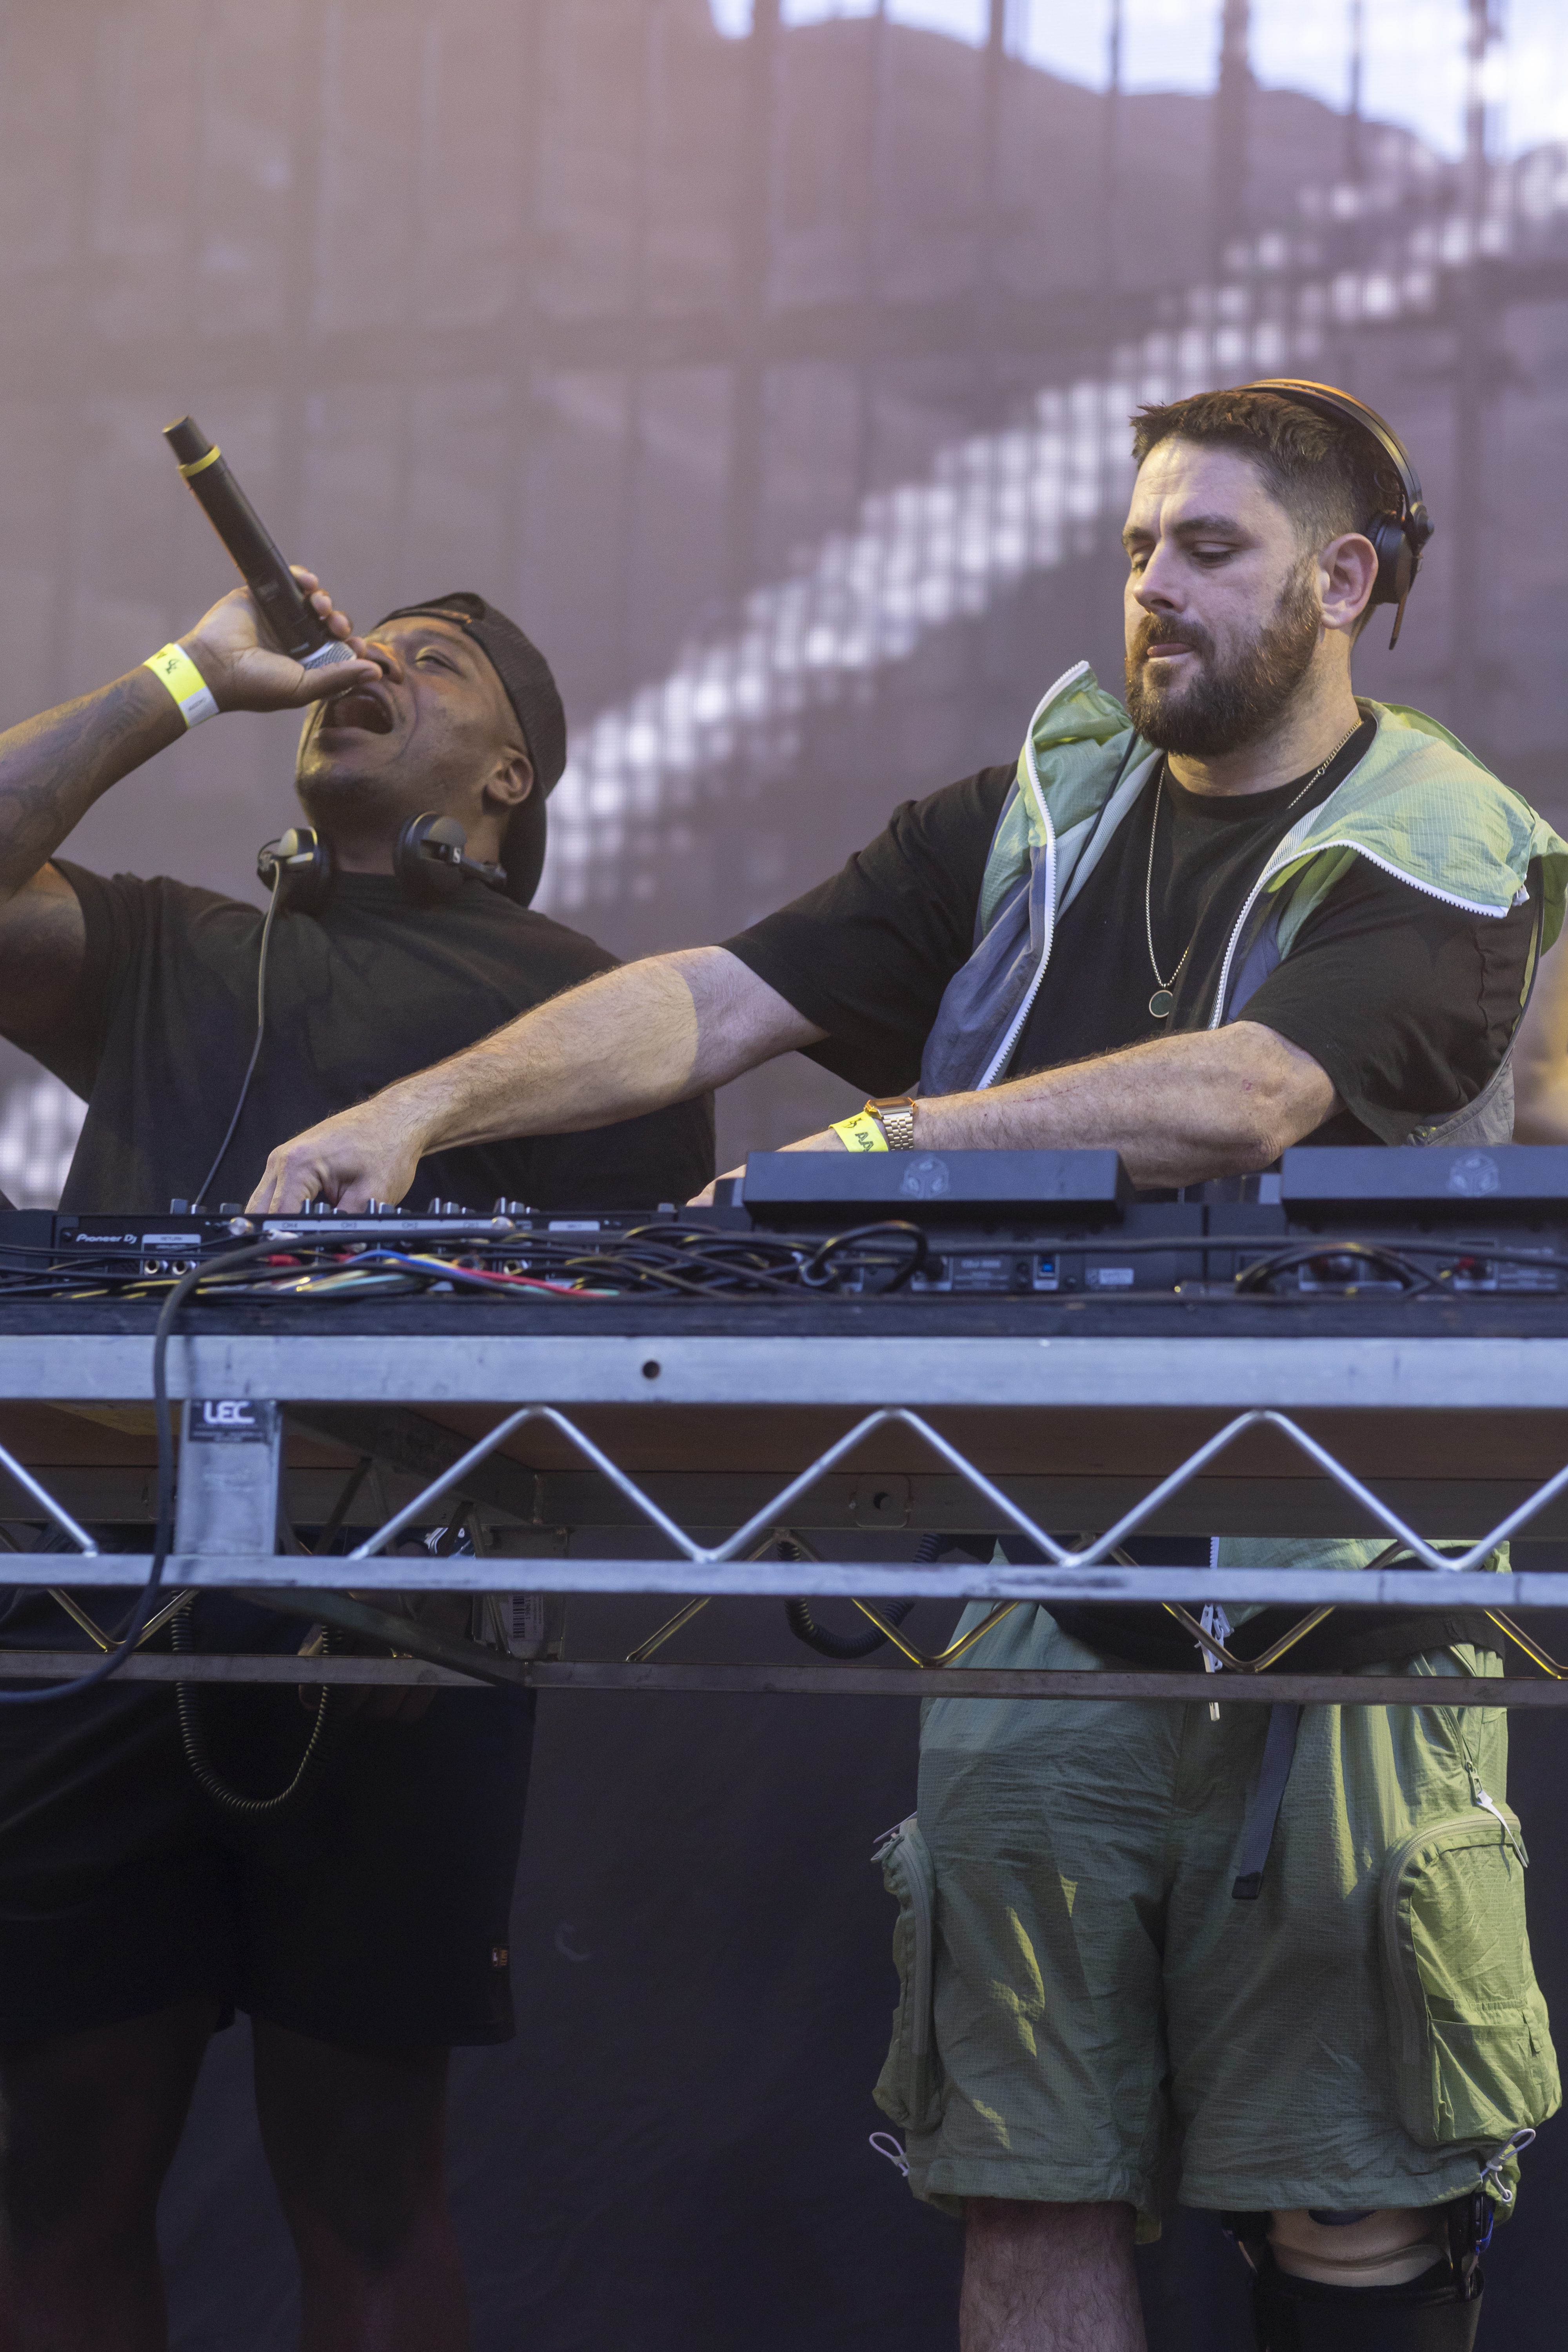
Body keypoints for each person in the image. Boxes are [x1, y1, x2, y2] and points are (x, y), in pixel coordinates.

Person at [249, 385, 1565, 2351]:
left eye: (1207, 551)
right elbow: (723, 995)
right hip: (1040, 1578)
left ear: (1342, 579)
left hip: (1351, 1597)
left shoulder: (1442, 836)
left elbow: (1259, 1095)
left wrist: (900, 1135)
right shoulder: (1045, 802)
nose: (1153, 592)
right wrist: (420, 1111)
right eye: (1136, 551)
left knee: (1350, 2210)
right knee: (1026, 2190)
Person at [0, 574, 712, 2351]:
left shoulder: (594, 1016)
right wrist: (181, 677)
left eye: (436, 661)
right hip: (104, 1614)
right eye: (359, 649)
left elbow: (616, 1369)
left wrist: (462, 1565)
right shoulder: (174, 947)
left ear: (513, 774)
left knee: (367, 2185)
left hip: (398, 1640)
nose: (369, 669)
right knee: (51, 2174)